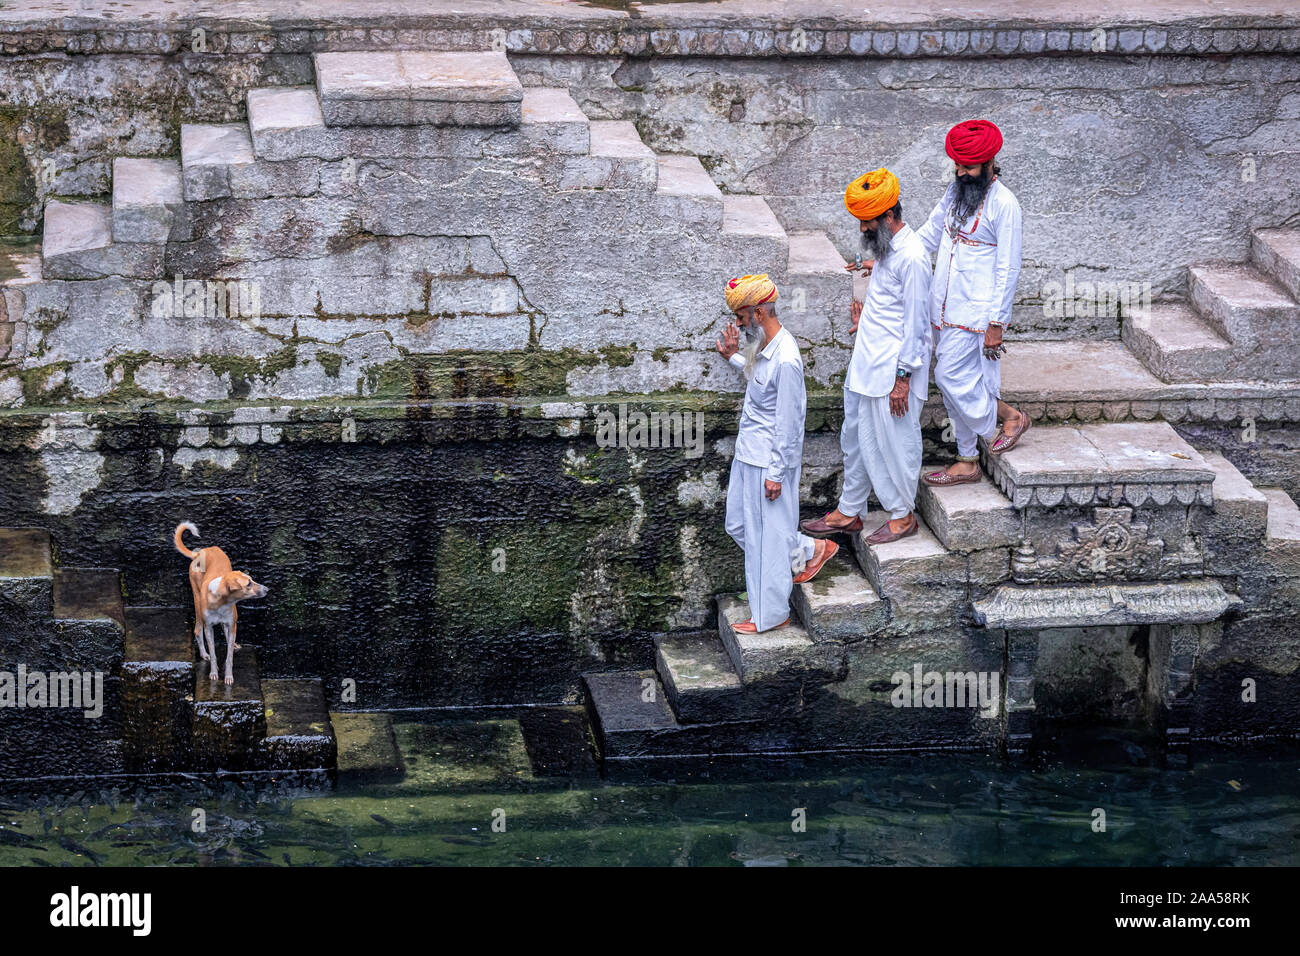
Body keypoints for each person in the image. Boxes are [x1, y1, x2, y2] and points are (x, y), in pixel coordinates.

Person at [800, 169, 932, 545]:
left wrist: (903, 379)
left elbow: (918, 325)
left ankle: (903, 515)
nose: (864, 230)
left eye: (868, 223)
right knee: (855, 437)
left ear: (889, 217)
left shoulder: (913, 258)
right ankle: (849, 510)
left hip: (893, 372)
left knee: (895, 443)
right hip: (867, 364)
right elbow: (890, 301)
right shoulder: (890, 253)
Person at [715, 274, 835, 633]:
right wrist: (734, 356)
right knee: (737, 524)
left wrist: (775, 473)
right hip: (746, 454)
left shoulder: (786, 359)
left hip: (768, 462)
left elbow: (790, 422)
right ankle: (809, 550)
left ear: (758, 311)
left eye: (741, 316)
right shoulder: (763, 345)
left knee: (767, 538)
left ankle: (771, 615)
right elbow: (757, 377)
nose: (737, 323)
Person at [918, 119, 1029, 487]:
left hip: (978, 314)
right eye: (958, 166)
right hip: (944, 309)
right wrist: (888, 258)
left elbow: (1008, 267)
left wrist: (997, 323)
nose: (962, 172)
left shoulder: (1005, 204)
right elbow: (929, 235)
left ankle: (1011, 416)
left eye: (969, 166)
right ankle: (966, 460)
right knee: (952, 388)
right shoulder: (954, 193)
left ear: (990, 162)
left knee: (949, 377)